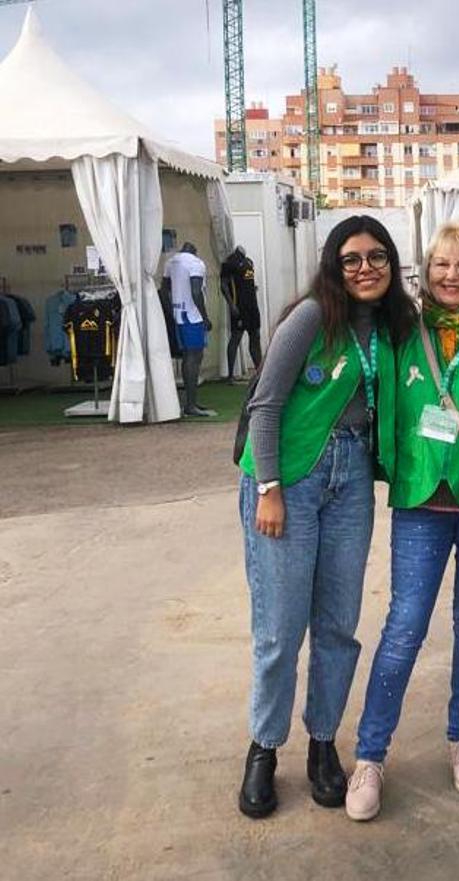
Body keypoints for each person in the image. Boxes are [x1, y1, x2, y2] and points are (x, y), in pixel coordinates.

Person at [235, 216, 417, 819]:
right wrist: (269, 487)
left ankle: (322, 743)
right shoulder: (312, 316)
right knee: (280, 627)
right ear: (334, 267)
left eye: (378, 258)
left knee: (338, 624)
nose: (366, 269)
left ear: (392, 265)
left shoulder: (394, 328)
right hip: (290, 477)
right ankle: (263, 749)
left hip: (352, 481)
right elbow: (265, 404)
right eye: (352, 259)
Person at [345, 219, 459, 822]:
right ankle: (370, 755)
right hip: (420, 499)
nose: (452, 276)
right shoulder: (403, 330)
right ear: (429, 271)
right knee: (404, 627)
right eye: (442, 265)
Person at [162, 243, 215, 416]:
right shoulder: (196, 264)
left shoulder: (171, 263)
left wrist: (171, 311)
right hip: (192, 317)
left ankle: (191, 402)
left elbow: (163, 291)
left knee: (187, 357)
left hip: (178, 314)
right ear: (195, 251)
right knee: (194, 358)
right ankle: (190, 405)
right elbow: (196, 291)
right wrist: (205, 317)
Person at [220, 246, 264, 379]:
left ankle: (260, 371)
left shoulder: (249, 262)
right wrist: (231, 304)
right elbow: (223, 285)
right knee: (236, 337)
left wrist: (252, 288)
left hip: (252, 306)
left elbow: (248, 280)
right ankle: (231, 375)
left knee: (255, 337)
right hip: (239, 307)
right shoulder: (229, 263)